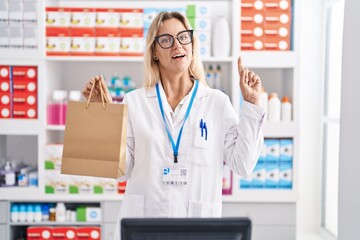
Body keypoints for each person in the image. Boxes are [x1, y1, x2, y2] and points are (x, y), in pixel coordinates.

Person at [82, 11, 265, 240]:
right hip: (144, 226)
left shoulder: (217, 103)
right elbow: (122, 171)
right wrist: (103, 116)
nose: (177, 45)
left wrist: (252, 104)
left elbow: (244, 165)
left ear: (192, 44)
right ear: (155, 52)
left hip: (198, 228)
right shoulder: (135, 101)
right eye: (166, 40)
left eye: (183, 37)